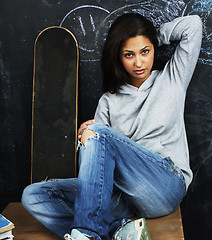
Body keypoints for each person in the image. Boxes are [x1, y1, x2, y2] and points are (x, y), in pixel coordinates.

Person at [22, 13, 202, 240]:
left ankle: (88, 234)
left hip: (165, 186)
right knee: (34, 194)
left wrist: (152, 36)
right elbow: (97, 168)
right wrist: (84, 139)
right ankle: (117, 230)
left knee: (97, 132)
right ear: (118, 56)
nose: (139, 62)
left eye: (145, 51)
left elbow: (193, 25)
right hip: (125, 198)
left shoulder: (172, 78)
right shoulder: (108, 101)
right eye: (129, 54)